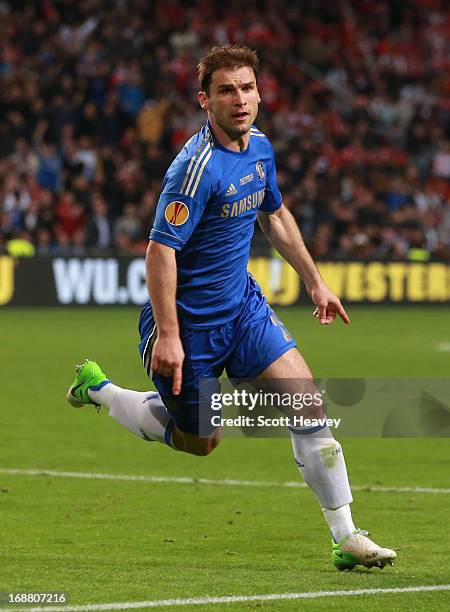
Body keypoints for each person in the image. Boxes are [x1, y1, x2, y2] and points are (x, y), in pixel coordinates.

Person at [67, 45, 396, 571]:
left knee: (307, 404)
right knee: (203, 442)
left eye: (246, 88)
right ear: (205, 100)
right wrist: (170, 336)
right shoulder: (194, 169)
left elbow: (276, 214)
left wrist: (315, 283)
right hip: (188, 328)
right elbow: (160, 250)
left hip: (242, 310)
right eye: (226, 90)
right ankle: (100, 391)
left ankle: (346, 535)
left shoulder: (261, 148)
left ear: (258, 94)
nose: (239, 99)